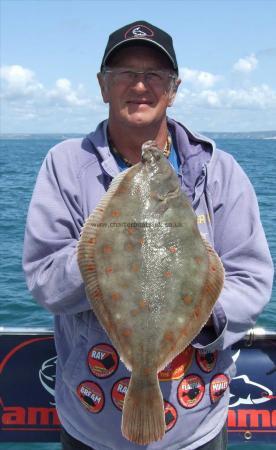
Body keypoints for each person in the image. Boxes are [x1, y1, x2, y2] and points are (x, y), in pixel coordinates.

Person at [23, 20, 273, 450]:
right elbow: (45, 279)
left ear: (173, 90)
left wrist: (197, 313)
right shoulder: (64, 165)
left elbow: (251, 279)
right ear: (103, 86)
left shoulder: (220, 171)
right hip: (93, 427)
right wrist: (106, 257)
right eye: (125, 74)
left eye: (154, 75)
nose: (140, 85)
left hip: (197, 426)